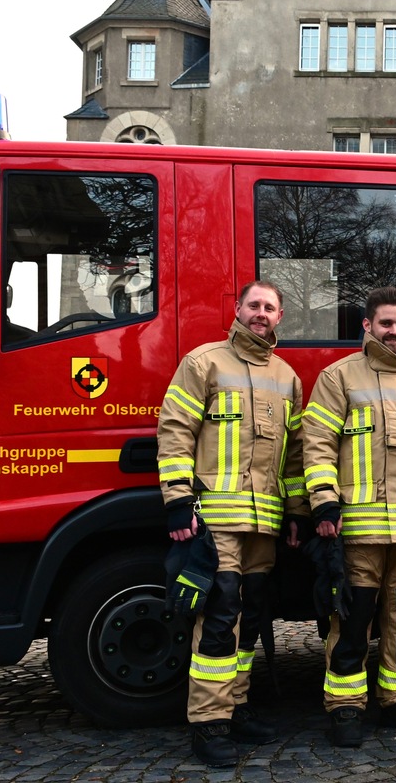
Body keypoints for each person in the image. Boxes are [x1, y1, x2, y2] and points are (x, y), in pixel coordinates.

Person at [157, 280, 308, 767]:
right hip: (215, 521)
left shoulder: (288, 377)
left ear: (280, 316)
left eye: (270, 308)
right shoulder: (204, 363)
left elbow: (294, 457)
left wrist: (296, 513)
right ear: (239, 310)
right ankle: (209, 723)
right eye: (254, 305)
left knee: (252, 620)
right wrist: (178, 502)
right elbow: (176, 429)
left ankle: (237, 708)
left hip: (264, 524)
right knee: (219, 619)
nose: (261, 314)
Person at [302, 286, 396, 747]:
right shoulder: (338, 378)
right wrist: (324, 501)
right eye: (386, 322)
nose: (395, 331)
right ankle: (346, 707)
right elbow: (318, 445)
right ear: (367, 326)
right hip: (359, 529)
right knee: (352, 620)